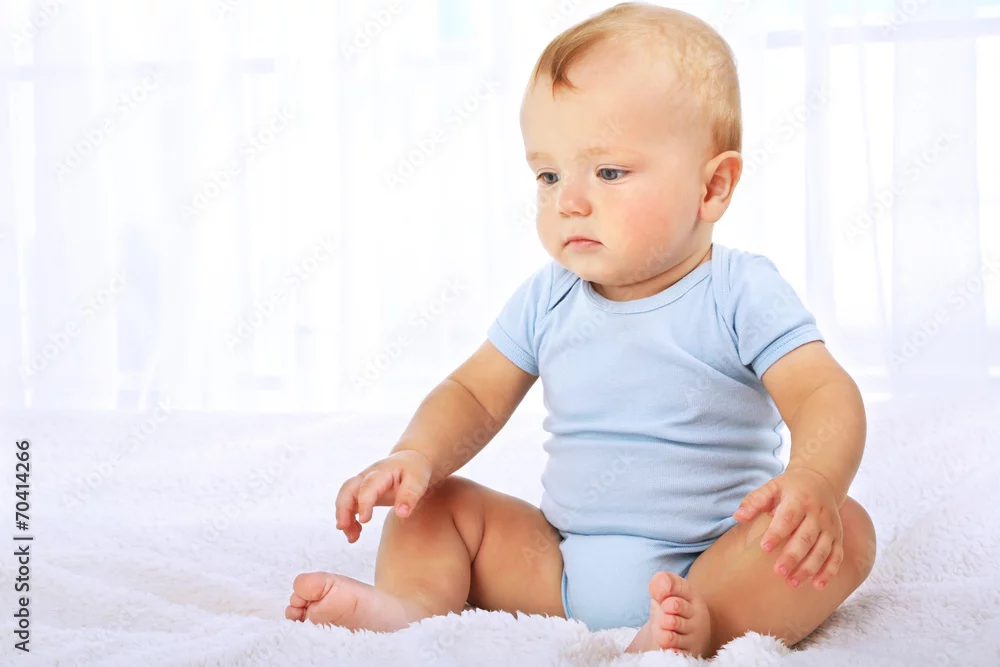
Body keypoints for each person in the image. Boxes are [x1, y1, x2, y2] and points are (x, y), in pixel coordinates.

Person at [285, 2, 876, 657]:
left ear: (712, 188)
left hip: (712, 562)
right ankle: (413, 607)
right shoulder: (549, 296)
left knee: (846, 529)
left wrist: (816, 479)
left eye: (609, 172)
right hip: (559, 567)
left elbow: (822, 392)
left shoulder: (739, 290)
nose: (568, 200)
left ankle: (699, 626)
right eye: (549, 174)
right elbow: (473, 394)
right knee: (431, 501)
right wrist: (415, 454)